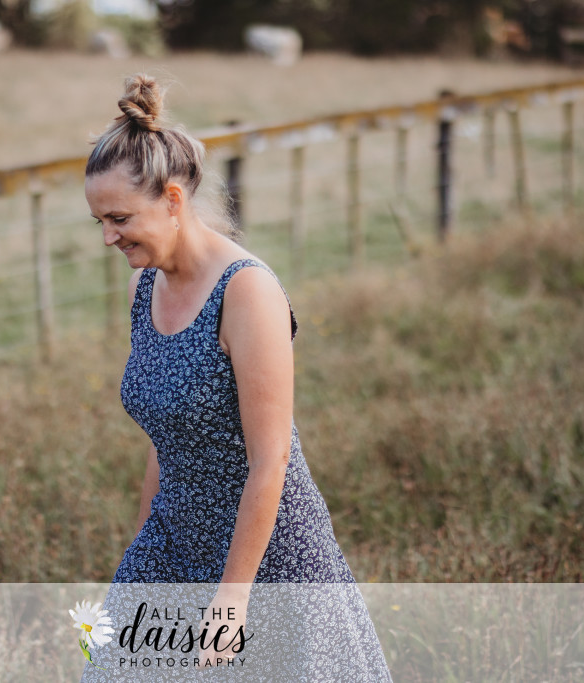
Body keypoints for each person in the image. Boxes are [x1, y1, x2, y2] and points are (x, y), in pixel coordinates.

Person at [80, 74, 390, 681]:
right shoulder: (144, 286)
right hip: (175, 541)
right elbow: (164, 433)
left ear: (173, 200)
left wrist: (233, 597)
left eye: (119, 218)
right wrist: (141, 547)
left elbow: (270, 460)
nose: (109, 237)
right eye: (100, 222)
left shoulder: (246, 291)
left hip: (264, 559)